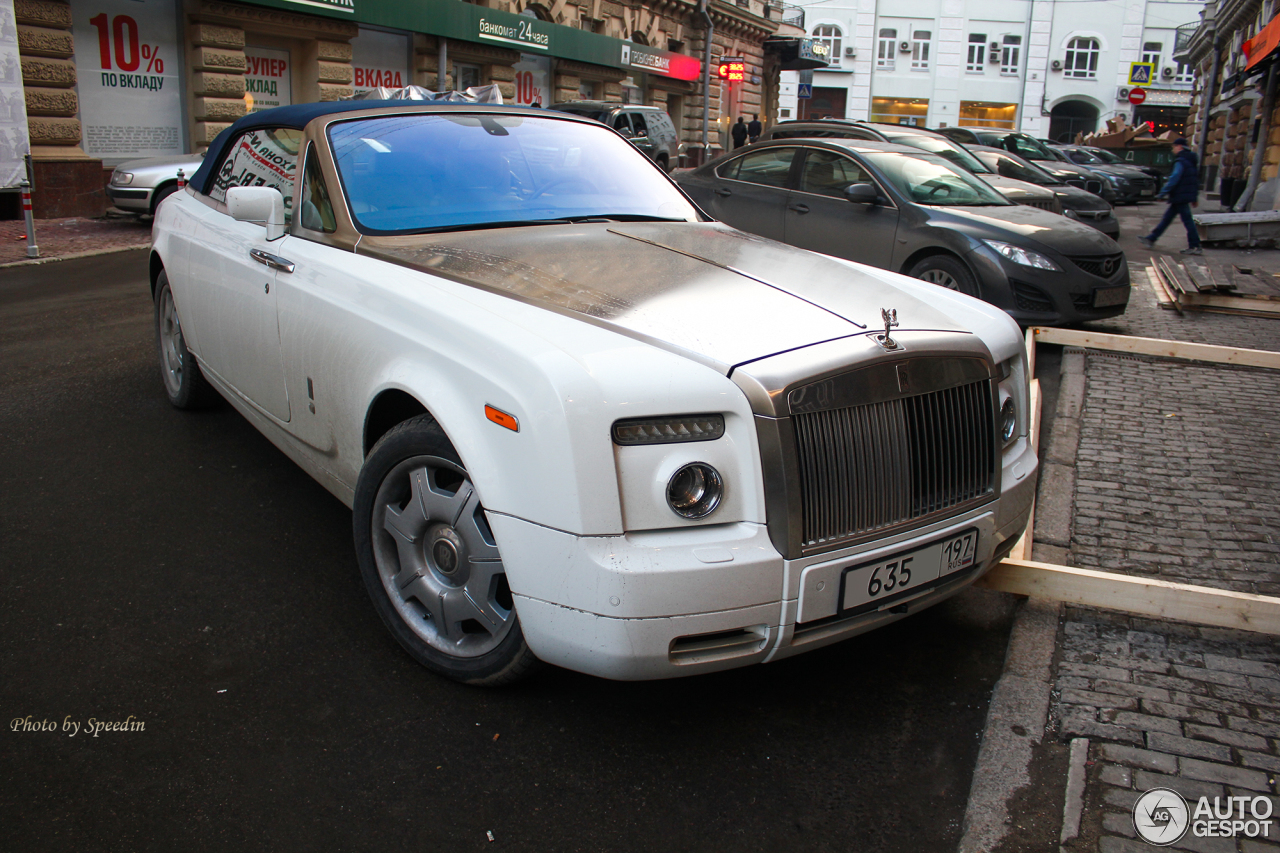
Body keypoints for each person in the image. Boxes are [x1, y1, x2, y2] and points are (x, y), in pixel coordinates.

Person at [1139, 138, 1202, 255]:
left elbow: (1174, 178)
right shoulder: (1190, 160)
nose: (1173, 149)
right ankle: (1151, 238)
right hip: (1182, 195)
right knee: (1168, 218)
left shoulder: (1181, 161)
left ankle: (1195, 246)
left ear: (1180, 147)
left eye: (1174, 147)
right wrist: (1194, 197)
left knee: (1187, 221)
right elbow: (1194, 180)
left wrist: (1163, 192)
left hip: (1180, 196)